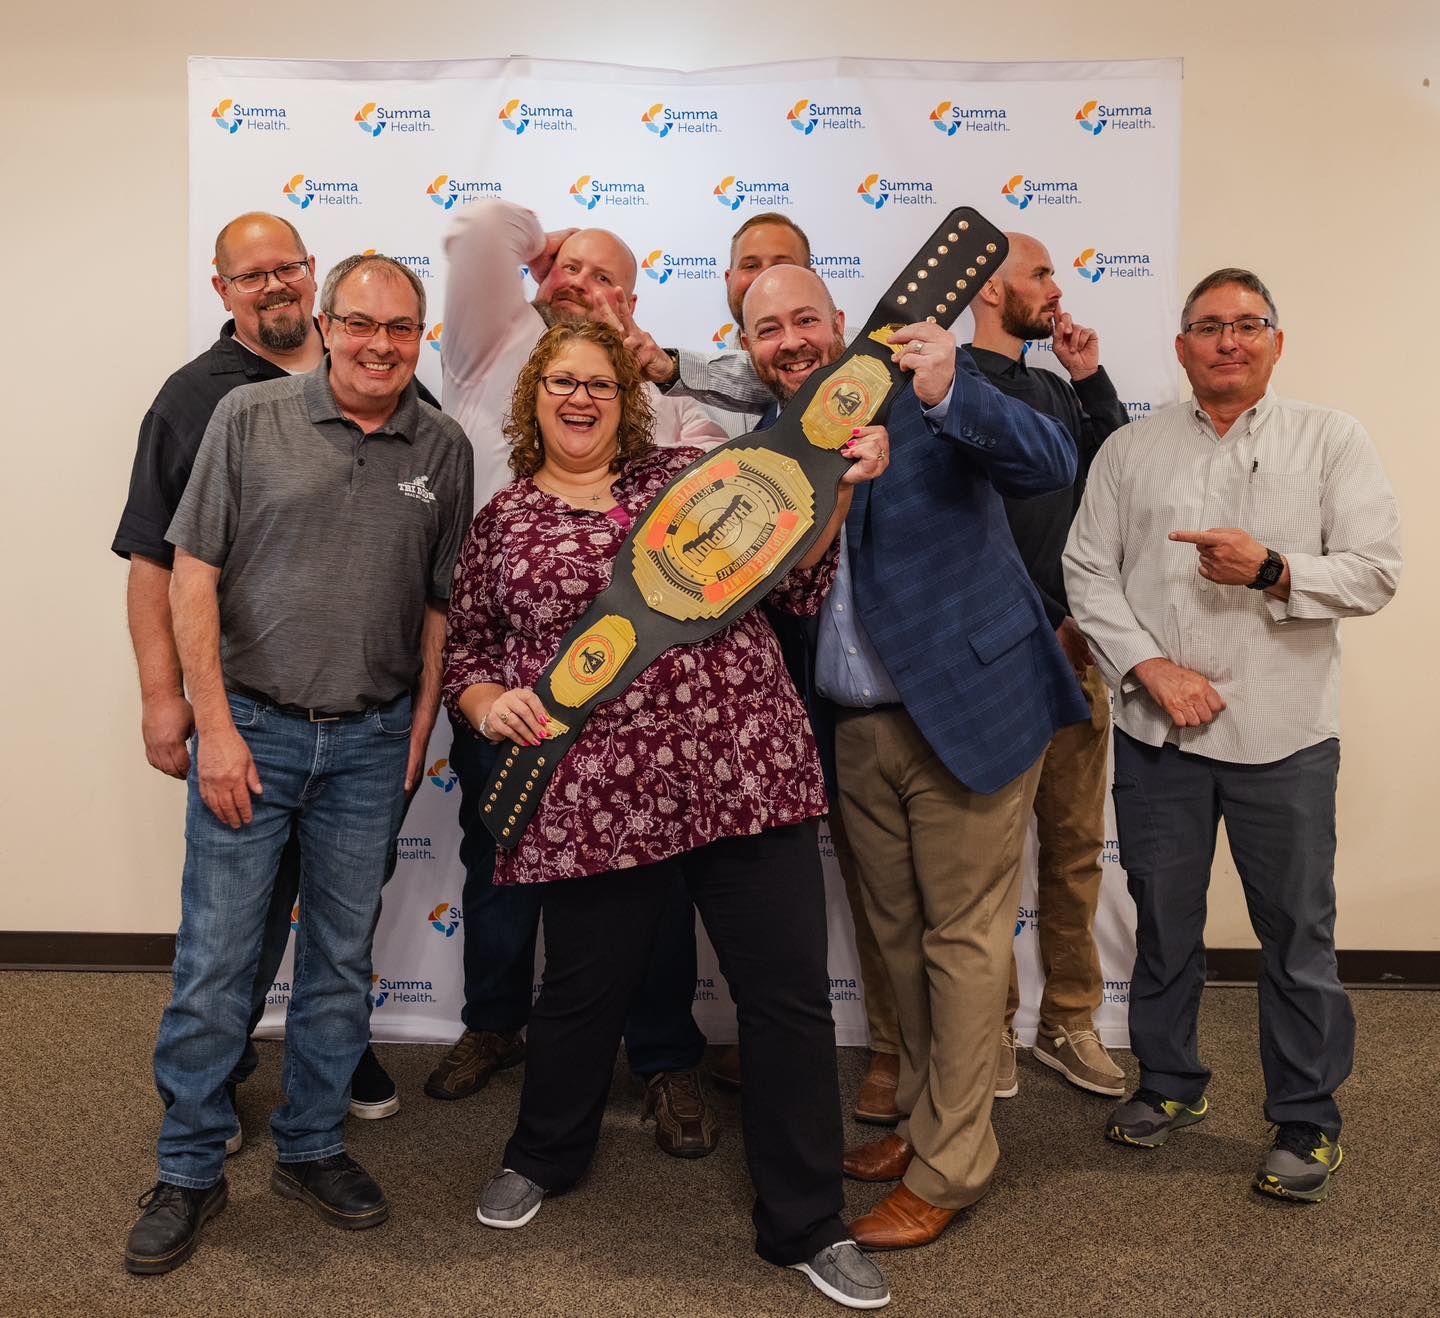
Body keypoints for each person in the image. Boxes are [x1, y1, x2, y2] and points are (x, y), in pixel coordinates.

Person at [447, 318, 892, 1310]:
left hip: (743, 772)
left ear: (627, 401)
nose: (580, 398)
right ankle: (544, 1152)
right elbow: (469, 650)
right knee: (580, 992)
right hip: (597, 792)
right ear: (533, 398)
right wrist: (486, 704)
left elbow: (794, 574)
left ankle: (807, 1221)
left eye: (600, 385)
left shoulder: (688, 480)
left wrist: (840, 489)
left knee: (786, 1000)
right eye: (561, 382)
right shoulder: (504, 521)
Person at [123, 254, 473, 1274]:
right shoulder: (247, 418)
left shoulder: (442, 445)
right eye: (360, 324)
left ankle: (312, 1146)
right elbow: (191, 576)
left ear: (419, 338)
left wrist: (419, 726)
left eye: (400, 329)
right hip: (255, 732)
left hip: (371, 743)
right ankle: (188, 1167)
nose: (379, 345)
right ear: (327, 324)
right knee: (217, 963)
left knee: (339, 961)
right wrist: (213, 726)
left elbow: (439, 603)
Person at [1063, 268, 1401, 1203]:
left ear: (1276, 343)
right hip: (1158, 733)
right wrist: (1149, 668)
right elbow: (1087, 572)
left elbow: (1376, 572)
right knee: (1164, 924)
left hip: (1284, 736)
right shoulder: (1130, 450)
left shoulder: (1332, 439)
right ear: (1182, 348)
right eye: (1209, 326)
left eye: (1249, 324)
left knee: (1296, 934)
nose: (1229, 340)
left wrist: (1273, 569)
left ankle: (1306, 1115)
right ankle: (1171, 1083)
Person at [793, 259, 1087, 1248]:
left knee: (962, 944)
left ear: (840, 321)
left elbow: (1052, 462)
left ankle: (954, 1166)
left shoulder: (926, 392)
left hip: (970, 708)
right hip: (856, 725)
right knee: (899, 939)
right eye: (765, 329)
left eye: (805, 320)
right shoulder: (777, 445)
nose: (790, 341)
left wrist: (950, 387)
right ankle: (924, 1123)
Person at [428, 200, 727, 1158]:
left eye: (606, 279)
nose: (581, 288)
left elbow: (725, 492)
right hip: (506, 680)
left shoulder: (664, 403)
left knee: (652, 883)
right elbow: (479, 232)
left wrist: (646, 373)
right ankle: (493, 1023)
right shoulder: (493, 345)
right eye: (570, 270)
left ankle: (666, 1057)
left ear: (633, 304)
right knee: (499, 864)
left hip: (636, 696)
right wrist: (545, 247)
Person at [111, 212, 415, 1135]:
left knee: (340, 931)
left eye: (287, 267)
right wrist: (164, 698)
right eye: (251, 276)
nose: (274, 285)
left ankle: (334, 1058)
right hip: (250, 716)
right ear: (223, 291)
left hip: (362, 729)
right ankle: (212, 1087)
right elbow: (156, 561)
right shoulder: (198, 399)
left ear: (312, 273)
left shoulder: (389, 377)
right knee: (230, 932)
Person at [965, 232, 1129, 1100]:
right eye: (1039, 275)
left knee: (1073, 852)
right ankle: (987, 1029)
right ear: (991, 289)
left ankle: (1069, 1021)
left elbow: (1113, 477)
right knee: (983, 866)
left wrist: (1090, 378)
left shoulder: (1057, 390)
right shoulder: (943, 384)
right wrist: (1036, 623)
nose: (1056, 289)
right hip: (989, 665)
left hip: (1075, 654)